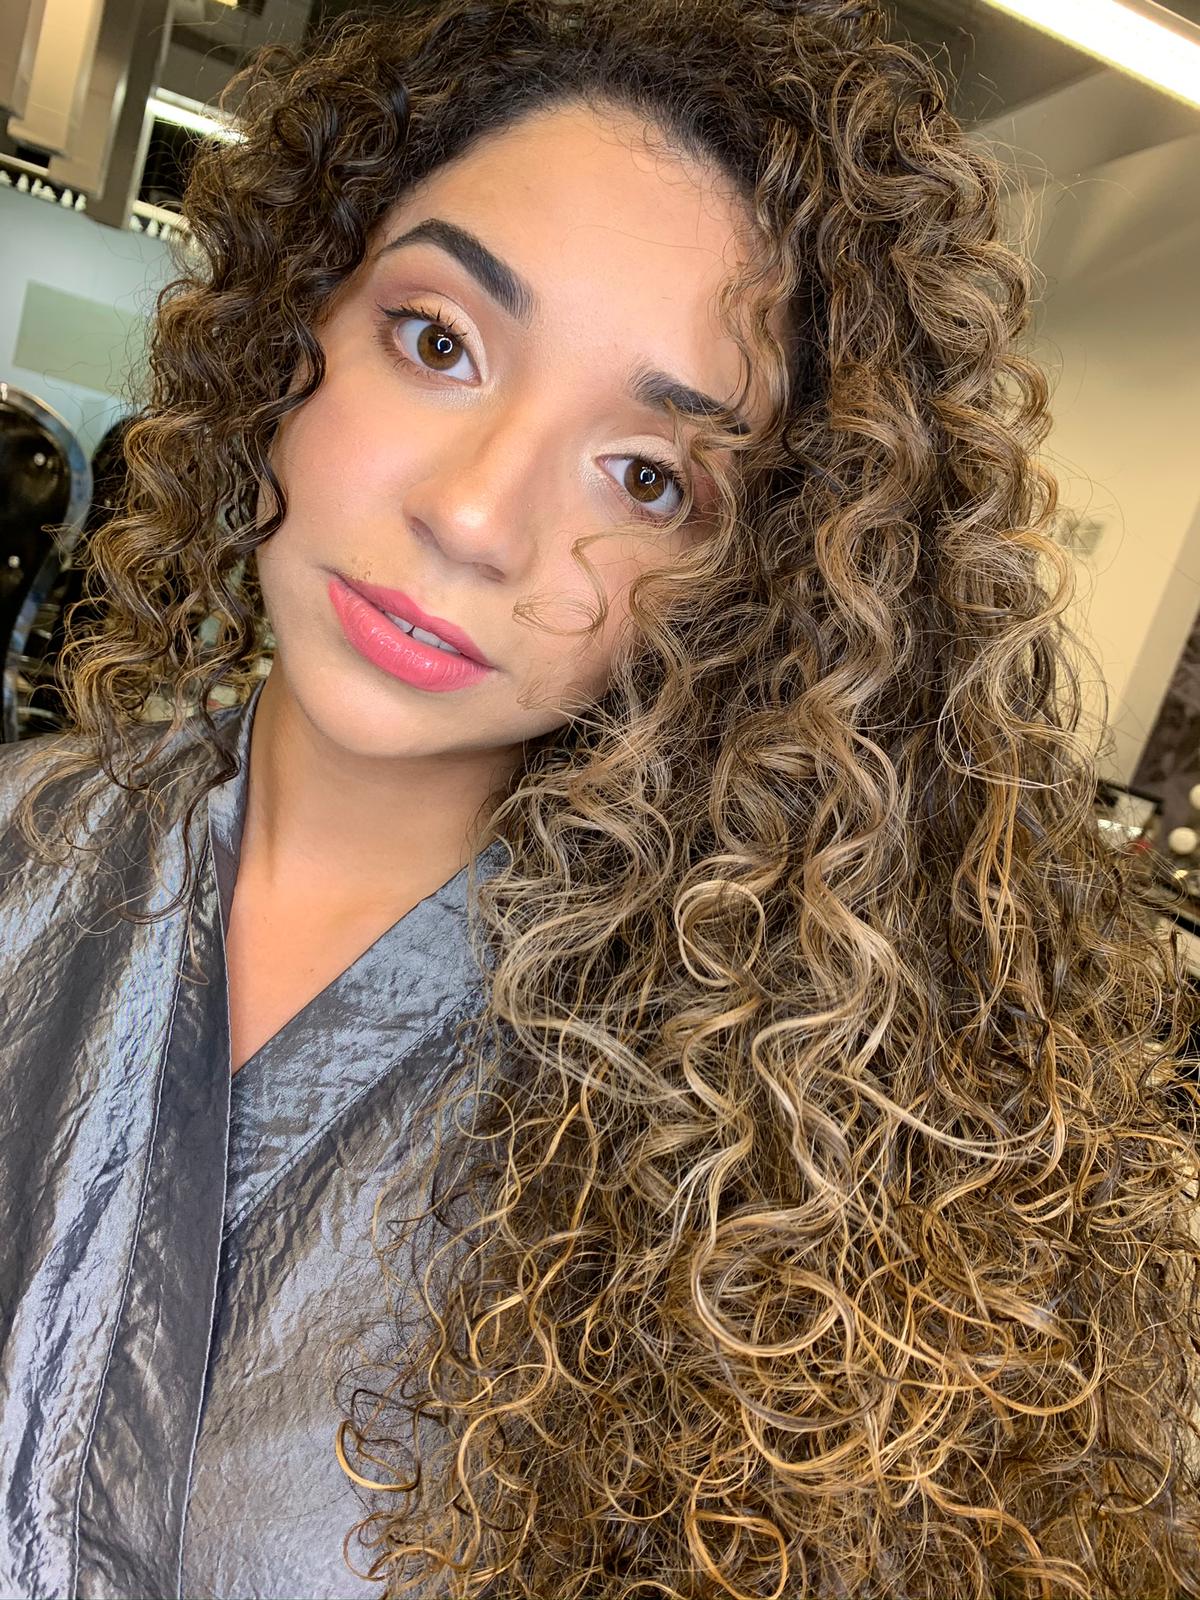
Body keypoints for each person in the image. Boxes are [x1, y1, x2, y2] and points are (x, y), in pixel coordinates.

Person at [1, 1, 1198, 1596]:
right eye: (438, 343)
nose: (480, 517)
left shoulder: (754, 1152)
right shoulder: (21, 840)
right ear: (300, 322)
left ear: (753, 584)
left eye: (647, 477)